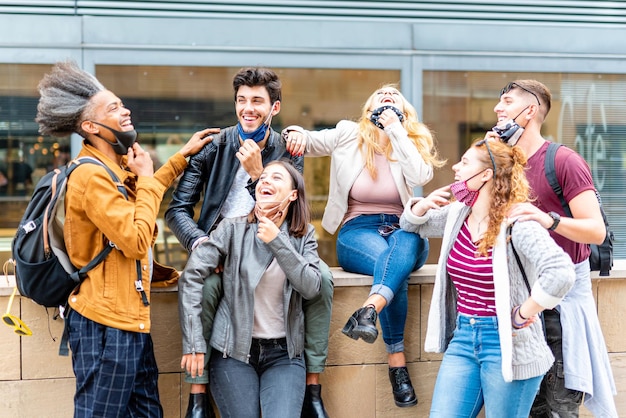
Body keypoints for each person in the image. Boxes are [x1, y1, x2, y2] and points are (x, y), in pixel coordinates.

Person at [34, 60, 217, 417]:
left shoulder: (112, 170)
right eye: (113, 107)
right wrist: (147, 178)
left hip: (129, 321)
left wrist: (179, 160)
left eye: (122, 103)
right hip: (104, 324)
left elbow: (138, 205)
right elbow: (135, 238)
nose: (125, 109)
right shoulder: (91, 177)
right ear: (90, 126)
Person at [165, 67, 334, 418]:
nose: (248, 108)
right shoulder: (214, 146)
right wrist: (201, 243)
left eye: (257, 101)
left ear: (274, 107)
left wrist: (259, 173)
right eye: (242, 100)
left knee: (323, 282)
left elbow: (286, 196)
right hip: (221, 241)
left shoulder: (287, 147)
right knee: (203, 283)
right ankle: (197, 394)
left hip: (271, 236)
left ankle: (313, 385)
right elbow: (177, 210)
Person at [283, 84, 444, 408]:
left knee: (397, 250)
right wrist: (293, 131)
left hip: (406, 229)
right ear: (369, 104)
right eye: (381, 93)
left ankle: (370, 310)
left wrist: (395, 129)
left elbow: (420, 173)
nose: (388, 94)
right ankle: (396, 362)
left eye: (395, 95)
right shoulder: (348, 134)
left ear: (404, 109)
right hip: (358, 231)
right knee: (391, 265)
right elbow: (308, 141)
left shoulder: (411, 140)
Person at [401, 138, 575, 416]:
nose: (456, 167)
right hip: (464, 338)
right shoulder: (458, 214)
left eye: (465, 162)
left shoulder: (518, 223)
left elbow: (561, 272)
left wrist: (524, 312)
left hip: (510, 344)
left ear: (485, 175)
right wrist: (422, 206)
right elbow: (410, 225)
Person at [488, 80, 618, 417]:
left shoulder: (563, 161)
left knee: (558, 409)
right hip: (518, 308)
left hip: (560, 312)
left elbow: (595, 230)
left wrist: (549, 220)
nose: (497, 109)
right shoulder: (504, 165)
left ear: (529, 111)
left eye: (506, 102)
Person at [179, 159, 321, 418]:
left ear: (292, 195)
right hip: (233, 352)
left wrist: (278, 241)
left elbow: (311, 286)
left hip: (285, 355)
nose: (266, 180)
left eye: (277, 178)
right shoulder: (232, 229)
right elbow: (191, 277)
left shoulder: (304, 235)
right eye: (263, 177)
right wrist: (194, 341)